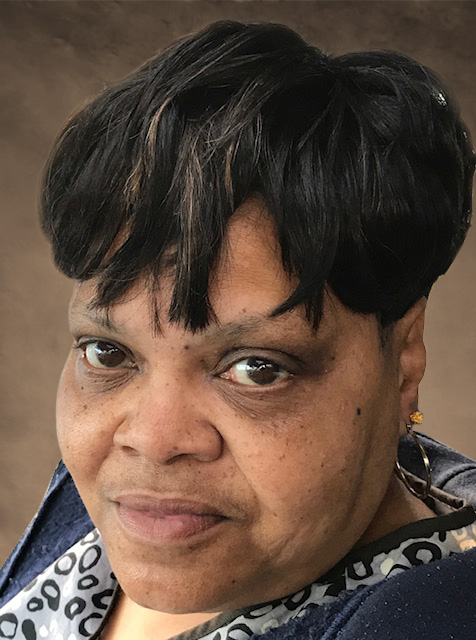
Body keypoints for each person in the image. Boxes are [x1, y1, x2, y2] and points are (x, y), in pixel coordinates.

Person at [1, 19, 475, 640]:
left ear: (405, 359)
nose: (152, 439)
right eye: (108, 352)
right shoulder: (127, 496)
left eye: (257, 368)